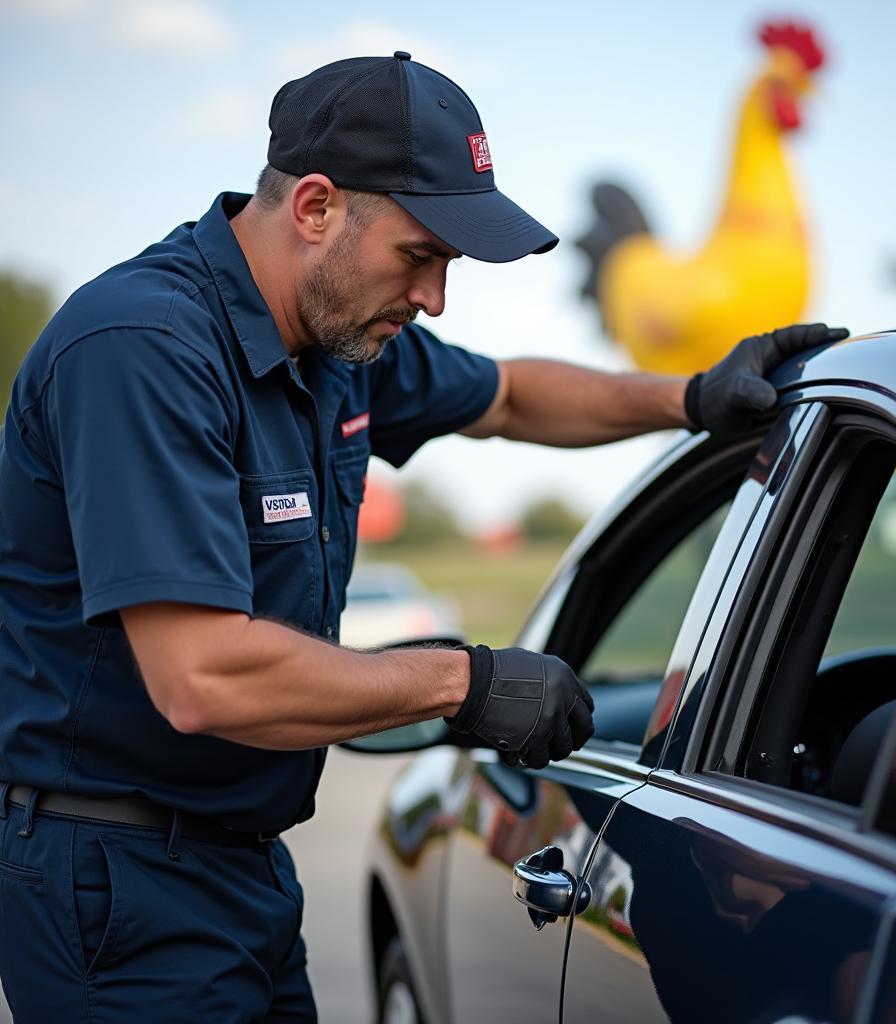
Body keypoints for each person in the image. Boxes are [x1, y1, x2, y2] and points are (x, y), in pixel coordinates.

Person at [0, 51, 848, 1022]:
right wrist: (467, 681)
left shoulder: (336, 344)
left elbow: (512, 395)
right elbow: (201, 676)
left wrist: (691, 396)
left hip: (238, 864)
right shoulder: (144, 349)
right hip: (116, 876)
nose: (436, 297)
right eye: (419, 254)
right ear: (315, 207)